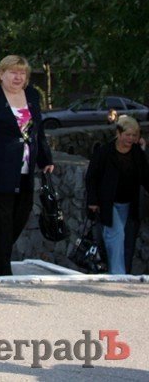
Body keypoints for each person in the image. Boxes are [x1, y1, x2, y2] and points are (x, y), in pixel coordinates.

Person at [0, 54, 54, 276]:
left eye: (22, 73)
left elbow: (38, 131)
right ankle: (3, 271)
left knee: (21, 216)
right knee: (0, 222)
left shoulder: (32, 95)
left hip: (24, 170)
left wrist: (45, 159)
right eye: (13, 72)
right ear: (2, 73)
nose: (18, 77)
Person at [85, 115, 149, 274]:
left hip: (129, 203)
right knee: (116, 235)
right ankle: (118, 275)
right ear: (118, 134)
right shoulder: (104, 152)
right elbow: (91, 177)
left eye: (134, 135)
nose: (131, 138)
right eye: (128, 135)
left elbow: (146, 176)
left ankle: (123, 272)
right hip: (108, 202)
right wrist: (93, 200)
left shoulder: (137, 153)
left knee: (128, 240)